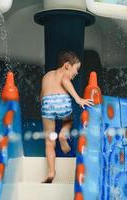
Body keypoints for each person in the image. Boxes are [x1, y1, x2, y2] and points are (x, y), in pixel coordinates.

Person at [40, 51, 94, 183]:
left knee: (49, 141)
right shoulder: (64, 75)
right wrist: (78, 99)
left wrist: (44, 106)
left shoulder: (47, 75)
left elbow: (41, 95)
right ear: (67, 65)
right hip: (61, 101)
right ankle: (64, 133)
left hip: (46, 103)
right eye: (76, 69)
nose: (76, 73)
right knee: (68, 121)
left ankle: (51, 173)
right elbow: (65, 80)